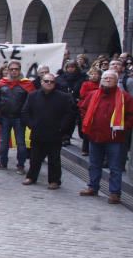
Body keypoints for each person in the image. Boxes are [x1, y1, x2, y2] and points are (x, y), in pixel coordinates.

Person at [78, 70, 133, 204]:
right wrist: (87, 120)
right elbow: (82, 108)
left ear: (116, 80)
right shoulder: (92, 95)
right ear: (101, 80)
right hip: (95, 135)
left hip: (115, 138)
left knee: (115, 167)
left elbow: (131, 115)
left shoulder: (125, 97)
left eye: (111, 78)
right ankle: (93, 187)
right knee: (94, 164)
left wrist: (123, 126)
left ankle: (114, 193)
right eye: (105, 78)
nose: (107, 80)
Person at [21, 72, 74, 189]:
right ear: (41, 82)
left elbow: (69, 114)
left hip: (55, 133)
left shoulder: (64, 97)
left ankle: (54, 180)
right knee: (35, 157)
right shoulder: (33, 95)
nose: (49, 83)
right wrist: (31, 125)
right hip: (37, 132)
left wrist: (62, 127)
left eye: (52, 81)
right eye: (46, 81)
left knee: (54, 158)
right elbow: (25, 112)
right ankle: (31, 176)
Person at [0, 62, 36, 173]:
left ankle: (21, 165)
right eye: (12, 69)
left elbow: (31, 101)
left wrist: (27, 116)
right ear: (8, 70)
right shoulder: (2, 82)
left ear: (19, 70)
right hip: (4, 117)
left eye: (16, 69)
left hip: (19, 118)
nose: (14, 71)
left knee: (21, 143)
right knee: (3, 142)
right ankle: (3, 162)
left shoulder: (26, 84)